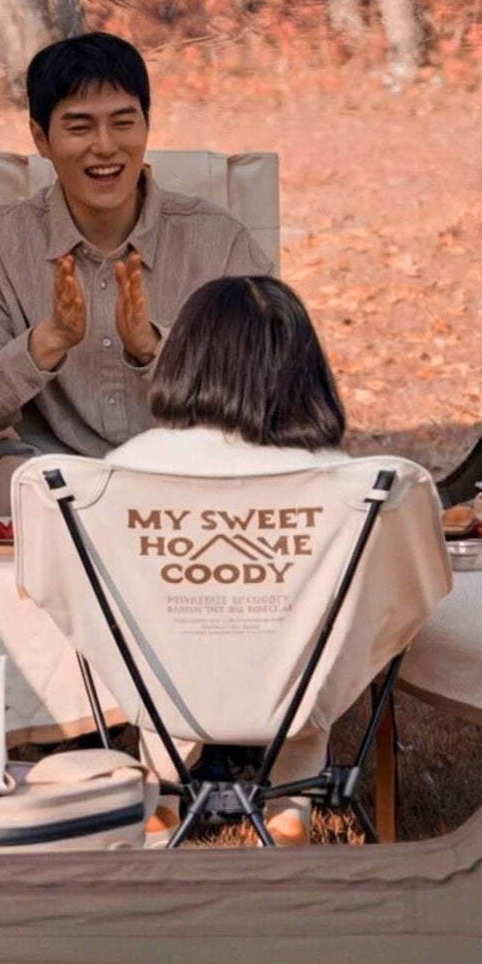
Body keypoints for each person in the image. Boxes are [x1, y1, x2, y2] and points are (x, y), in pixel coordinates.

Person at [0, 32, 272, 465]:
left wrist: (154, 350)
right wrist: (45, 342)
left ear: (146, 125)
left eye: (123, 123)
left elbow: (268, 394)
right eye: (79, 127)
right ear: (41, 139)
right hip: (46, 481)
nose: (105, 146)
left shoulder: (221, 242)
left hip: (191, 478)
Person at [107, 272, 349, 843]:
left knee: (148, 629)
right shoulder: (348, 482)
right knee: (320, 637)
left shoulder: (128, 469)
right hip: (294, 688)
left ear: (183, 361)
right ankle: (291, 802)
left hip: (168, 685)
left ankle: (160, 789)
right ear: (306, 369)